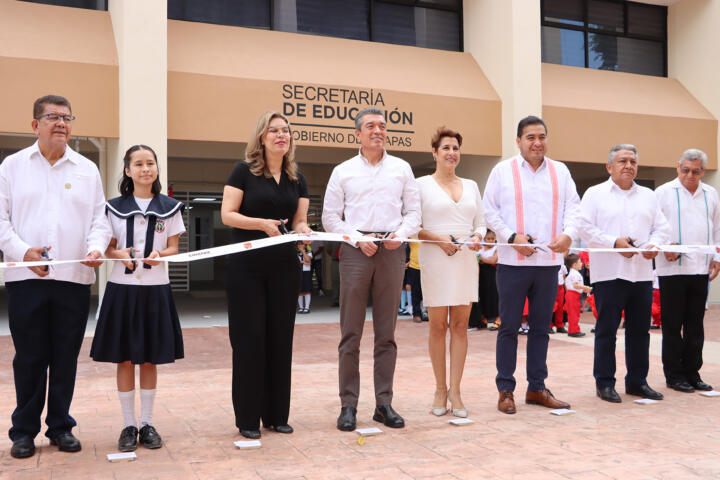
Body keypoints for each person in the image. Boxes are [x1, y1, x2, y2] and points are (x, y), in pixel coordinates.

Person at [0, 95, 112, 458]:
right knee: (30, 356)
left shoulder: (86, 169)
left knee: (65, 356)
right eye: (53, 117)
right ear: (35, 125)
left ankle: (61, 426)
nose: (61, 123)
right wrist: (22, 252)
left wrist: (96, 248)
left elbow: (100, 221)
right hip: (25, 278)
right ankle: (23, 431)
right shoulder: (12, 167)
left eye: (67, 117)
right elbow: (1, 220)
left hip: (73, 278)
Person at [322, 107, 421, 431]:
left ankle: (384, 404)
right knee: (350, 333)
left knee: (387, 334)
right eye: (370, 126)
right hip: (355, 251)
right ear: (358, 134)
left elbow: (414, 213)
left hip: (392, 251)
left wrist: (401, 235)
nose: (377, 130)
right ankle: (348, 405)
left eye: (381, 125)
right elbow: (330, 217)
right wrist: (355, 238)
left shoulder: (402, 169)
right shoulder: (343, 171)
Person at [221, 111, 312, 439]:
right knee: (249, 340)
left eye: (285, 131)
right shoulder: (243, 171)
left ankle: (276, 415)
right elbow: (227, 214)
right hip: (246, 267)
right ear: (262, 137)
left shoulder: (296, 178)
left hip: (284, 268)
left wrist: (305, 230)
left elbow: (298, 220)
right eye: (274, 130)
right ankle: (247, 418)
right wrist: (261, 224)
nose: (281, 135)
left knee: (279, 339)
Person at [90, 145, 185, 452]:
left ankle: (147, 423)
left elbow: (173, 247)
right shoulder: (113, 206)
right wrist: (121, 254)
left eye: (151, 163)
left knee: (149, 357)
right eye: (139, 164)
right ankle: (128, 424)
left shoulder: (170, 207)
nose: (146, 169)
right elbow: (108, 248)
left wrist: (160, 255)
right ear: (128, 171)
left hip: (156, 289)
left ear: (157, 169)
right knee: (125, 357)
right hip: (123, 290)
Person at [483, 115, 580, 415]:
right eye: (530, 137)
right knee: (509, 327)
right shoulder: (503, 171)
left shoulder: (560, 172)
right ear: (519, 141)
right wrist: (512, 237)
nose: (537, 143)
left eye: (541, 137)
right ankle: (505, 390)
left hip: (549, 264)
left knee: (541, 328)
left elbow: (575, 209)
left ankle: (536, 387)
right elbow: (489, 211)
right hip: (513, 263)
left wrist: (568, 235)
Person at [579, 144, 670, 403]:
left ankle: (637, 381)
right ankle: (605, 382)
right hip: (609, 272)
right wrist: (613, 243)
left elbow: (662, 228)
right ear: (609, 167)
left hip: (641, 273)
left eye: (632, 161)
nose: (628, 165)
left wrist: (654, 246)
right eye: (622, 161)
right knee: (607, 330)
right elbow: (584, 228)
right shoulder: (595, 194)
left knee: (640, 331)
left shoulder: (648, 196)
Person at [416, 127, 485, 418]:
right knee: (437, 326)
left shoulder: (471, 185)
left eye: (455, 148)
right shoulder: (420, 185)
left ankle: (456, 391)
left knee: (460, 326)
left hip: (465, 259)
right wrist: (438, 240)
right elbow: (412, 225)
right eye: (445, 147)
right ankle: (439, 389)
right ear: (434, 152)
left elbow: (480, 223)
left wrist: (479, 236)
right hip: (435, 257)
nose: (451, 153)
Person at [655, 148, 720, 393]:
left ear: (703, 171)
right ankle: (674, 374)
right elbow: (654, 226)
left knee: (695, 324)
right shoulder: (663, 193)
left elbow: (717, 229)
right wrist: (663, 247)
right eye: (685, 170)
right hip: (672, 269)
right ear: (678, 167)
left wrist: (717, 257)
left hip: (700, 268)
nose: (690, 175)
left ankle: (693, 371)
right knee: (672, 324)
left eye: (695, 171)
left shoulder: (710, 194)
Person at [564, 253, 591, 337]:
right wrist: (586, 287)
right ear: (574, 264)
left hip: (573, 294)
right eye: (580, 262)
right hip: (572, 295)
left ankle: (574, 329)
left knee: (574, 313)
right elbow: (576, 285)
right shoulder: (574, 274)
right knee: (573, 314)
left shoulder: (574, 273)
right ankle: (573, 331)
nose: (581, 264)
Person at [479, 230, 500, 329]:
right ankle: (485, 317)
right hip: (481, 274)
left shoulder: (497, 248)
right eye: (488, 239)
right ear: (484, 239)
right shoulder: (481, 247)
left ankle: (495, 316)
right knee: (483, 295)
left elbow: (493, 260)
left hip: (492, 273)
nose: (491, 241)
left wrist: (480, 258)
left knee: (493, 295)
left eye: (493, 239)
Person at [550, 263, 568, 334]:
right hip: (551, 287)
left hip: (560, 288)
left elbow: (564, 277)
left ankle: (559, 326)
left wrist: (566, 290)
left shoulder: (563, 266)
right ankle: (549, 326)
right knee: (551, 307)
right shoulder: (549, 264)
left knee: (560, 308)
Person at [298, 242, 313, 313]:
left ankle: (307, 308)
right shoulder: (295, 253)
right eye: (299, 244)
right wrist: (304, 262)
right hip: (298, 272)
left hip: (306, 272)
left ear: (305, 245)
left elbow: (308, 260)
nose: (300, 245)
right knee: (299, 291)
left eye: (302, 244)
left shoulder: (309, 252)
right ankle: (301, 308)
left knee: (307, 290)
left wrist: (303, 252)